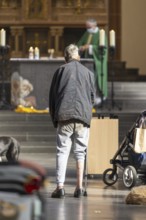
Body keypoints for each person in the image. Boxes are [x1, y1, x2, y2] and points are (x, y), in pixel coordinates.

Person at [49, 44, 95, 198]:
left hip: (64, 115)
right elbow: (92, 98)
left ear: (65, 58)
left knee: (62, 151)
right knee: (80, 152)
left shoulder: (60, 71)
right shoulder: (88, 73)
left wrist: (55, 118)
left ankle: (60, 187)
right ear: (78, 57)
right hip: (82, 117)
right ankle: (79, 188)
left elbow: (53, 98)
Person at [77, 18, 108, 104]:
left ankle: (98, 96)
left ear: (94, 26)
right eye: (87, 27)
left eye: (89, 27)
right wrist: (81, 47)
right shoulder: (87, 33)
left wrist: (89, 47)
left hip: (97, 61)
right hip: (87, 61)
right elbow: (80, 43)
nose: (88, 28)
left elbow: (103, 50)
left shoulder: (101, 34)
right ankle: (88, 97)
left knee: (97, 78)